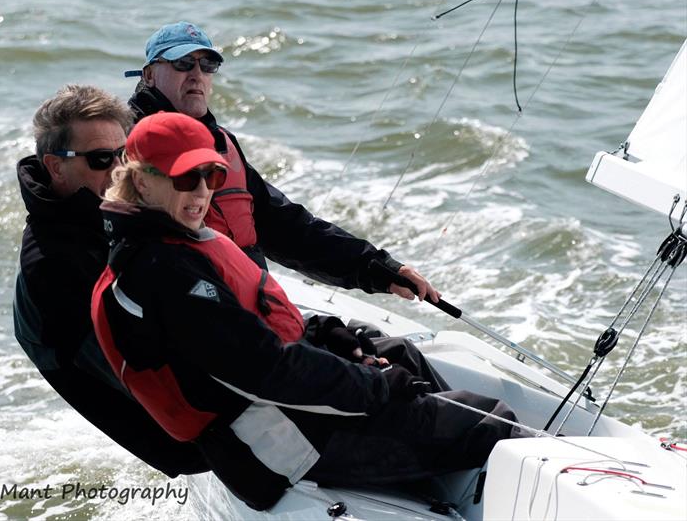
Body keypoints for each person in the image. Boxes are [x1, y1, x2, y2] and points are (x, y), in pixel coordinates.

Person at [92, 111, 524, 511]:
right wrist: (378, 387)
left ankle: (442, 465)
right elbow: (267, 368)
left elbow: (258, 322)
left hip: (291, 415)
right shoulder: (162, 272)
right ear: (143, 182)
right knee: (489, 421)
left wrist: (328, 334)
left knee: (400, 353)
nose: (202, 190)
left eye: (211, 174)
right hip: (279, 445)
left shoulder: (175, 246)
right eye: (186, 177)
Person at [125, 21, 441, 308]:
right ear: (149, 74)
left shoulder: (223, 144)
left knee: (395, 357)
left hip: (252, 309)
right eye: (182, 63)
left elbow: (287, 228)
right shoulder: (127, 148)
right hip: (200, 320)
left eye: (208, 64)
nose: (196, 74)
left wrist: (378, 269)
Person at [13, 84, 208, 477]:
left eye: (126, 156)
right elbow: (160, 380)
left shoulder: (115, 217)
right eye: (102, 159)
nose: (120, 170)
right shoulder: (54, 266)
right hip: (197, 446)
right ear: (55, 166)